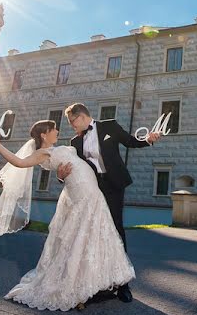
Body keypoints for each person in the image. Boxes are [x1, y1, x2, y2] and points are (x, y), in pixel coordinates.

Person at [0, 120, 135, 311]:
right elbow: (19, 162)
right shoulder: (42, 153)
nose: (58, 130)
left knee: (96, 236)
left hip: (93, 193)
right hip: (82, 197)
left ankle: (99, 283)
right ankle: (80, 286)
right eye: (54, 129)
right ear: (43, 135)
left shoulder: (63, 146)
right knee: (81, 237)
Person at [56, 103, 160, 303]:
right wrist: (61, 177)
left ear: (82, 116)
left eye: (72, 122)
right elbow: (71, 170)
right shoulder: (74, 142)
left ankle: (123, 285)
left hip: (113, 186)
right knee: (94, 233)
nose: (72, 126)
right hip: (92, 190)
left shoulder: (109, 126)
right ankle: (97, 283)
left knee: (116, 229)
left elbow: (131, 141)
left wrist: (148, 140)